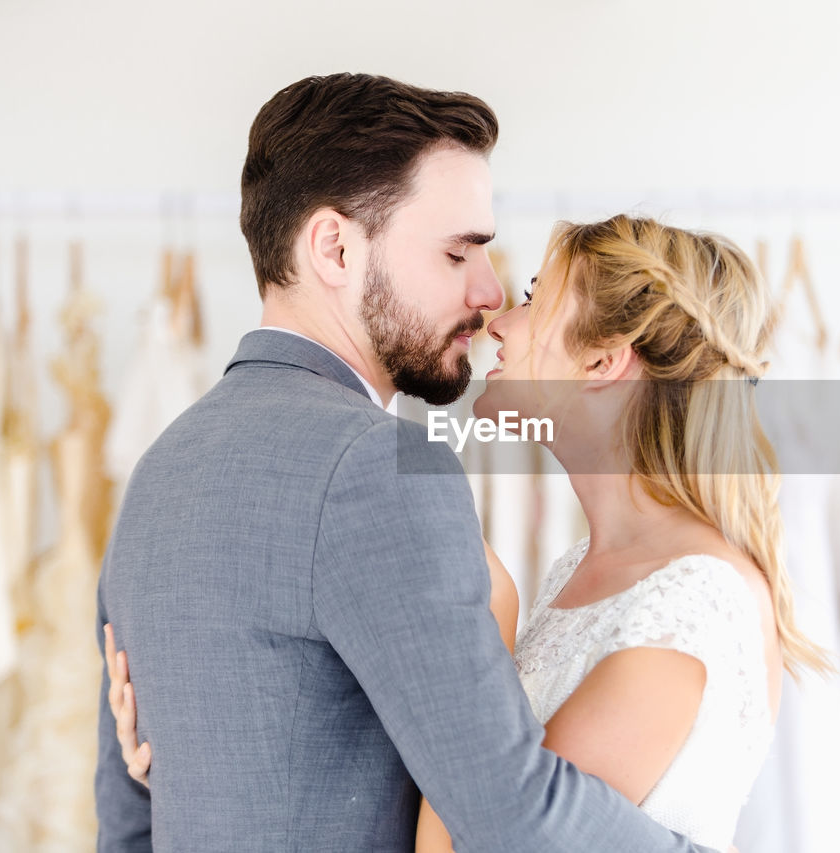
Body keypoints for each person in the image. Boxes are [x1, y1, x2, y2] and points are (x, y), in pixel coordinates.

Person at [94, 73, 718, 852]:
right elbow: (505, 812)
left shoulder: (160, 471)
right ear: (336, 248)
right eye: (459, 252)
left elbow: (127, 826)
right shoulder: (374, 469)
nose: (490, 294)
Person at [105, 214, 831, 851]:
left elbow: (493, 824)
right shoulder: (584, 566)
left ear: (605, 361)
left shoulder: (689, 601)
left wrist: (492, 613)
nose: (498, 321)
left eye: (533, 299)